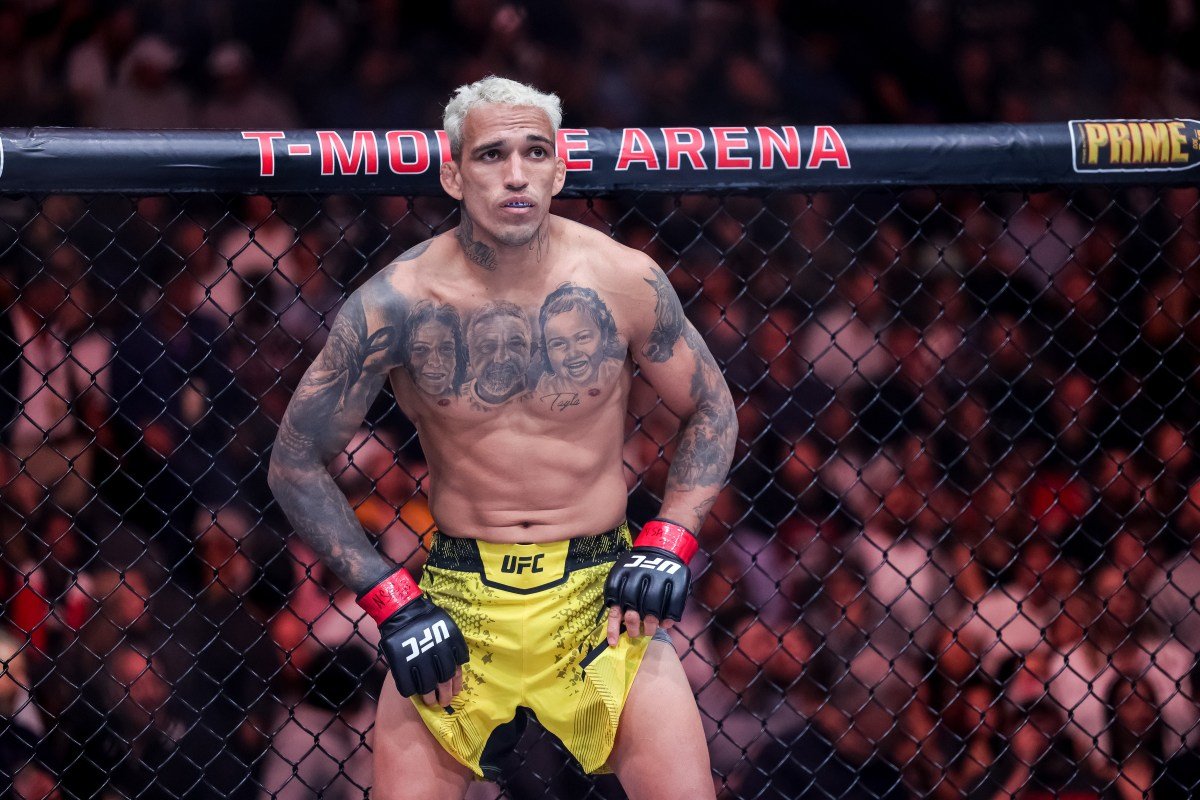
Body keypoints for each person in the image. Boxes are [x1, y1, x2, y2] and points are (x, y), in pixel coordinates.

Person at [268, 76, 735, 799]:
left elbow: (712, 408)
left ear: (559, 170)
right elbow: (295, 460)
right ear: (453, 174)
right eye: (491, 155)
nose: (516, 174)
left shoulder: (623, 279)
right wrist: (391, 599)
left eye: (534, 152)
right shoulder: (396, 302)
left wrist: (671, 539)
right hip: (460, 602)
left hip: (600, 600)